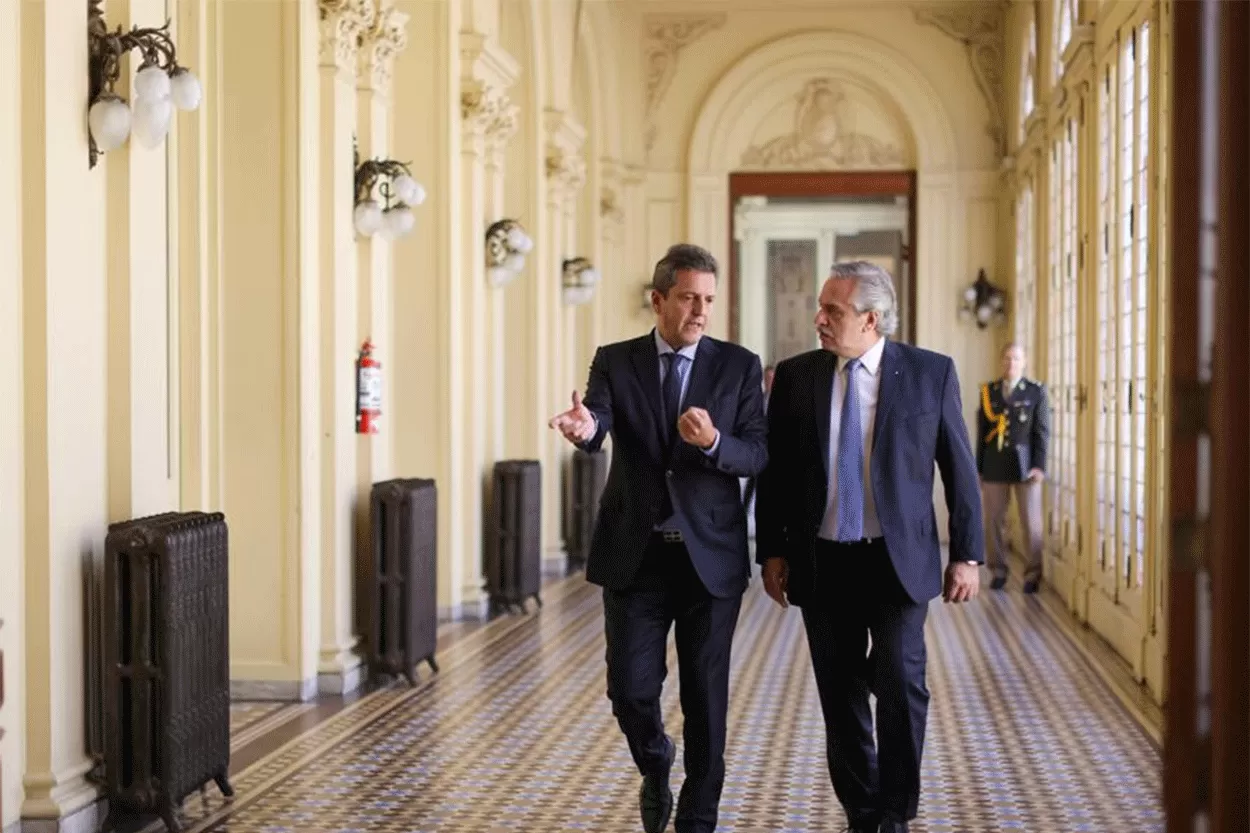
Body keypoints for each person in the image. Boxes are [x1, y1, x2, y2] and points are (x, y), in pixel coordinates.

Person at [754, 261, 984, 833]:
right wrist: (772, 551)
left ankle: (896, 811)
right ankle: (862, 810)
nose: (819, 319)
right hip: (823, 558)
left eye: (833, 310)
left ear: (872, 319)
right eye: (821, 307)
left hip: (896, 560)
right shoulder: (798, 376)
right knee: (840, 691)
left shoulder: (929, 374)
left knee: (902, 685)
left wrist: (968, 554)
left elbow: (959, 468)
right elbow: (777, 472)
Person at [548, 243, 768, 833]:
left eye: (709, 300)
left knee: (705, 700)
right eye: (690, 298)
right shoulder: (616, 361)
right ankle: (654, 760)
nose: (701, 310)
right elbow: (597, 420)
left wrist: (715, 443)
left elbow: (756, 452)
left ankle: (698, 818)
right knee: (630, 689)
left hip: (710, 560)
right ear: (659, 300)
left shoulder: (739, 366)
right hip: (635, 555)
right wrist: (585, 426)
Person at [976, 342, 1050, 593]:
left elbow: (1042, 433)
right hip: (995, 463)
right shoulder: (989, 391)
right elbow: (982, 433)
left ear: (1024, 362)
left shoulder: (1035, 391)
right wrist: (979, 467)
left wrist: (1039, 466)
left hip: (1026, 465)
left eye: (1016, 359)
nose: (1011, 363)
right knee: (994, 520)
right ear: (1001, 361)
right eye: (1007, 358)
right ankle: (997, 570)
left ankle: (1033, 574)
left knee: (1031, 522)